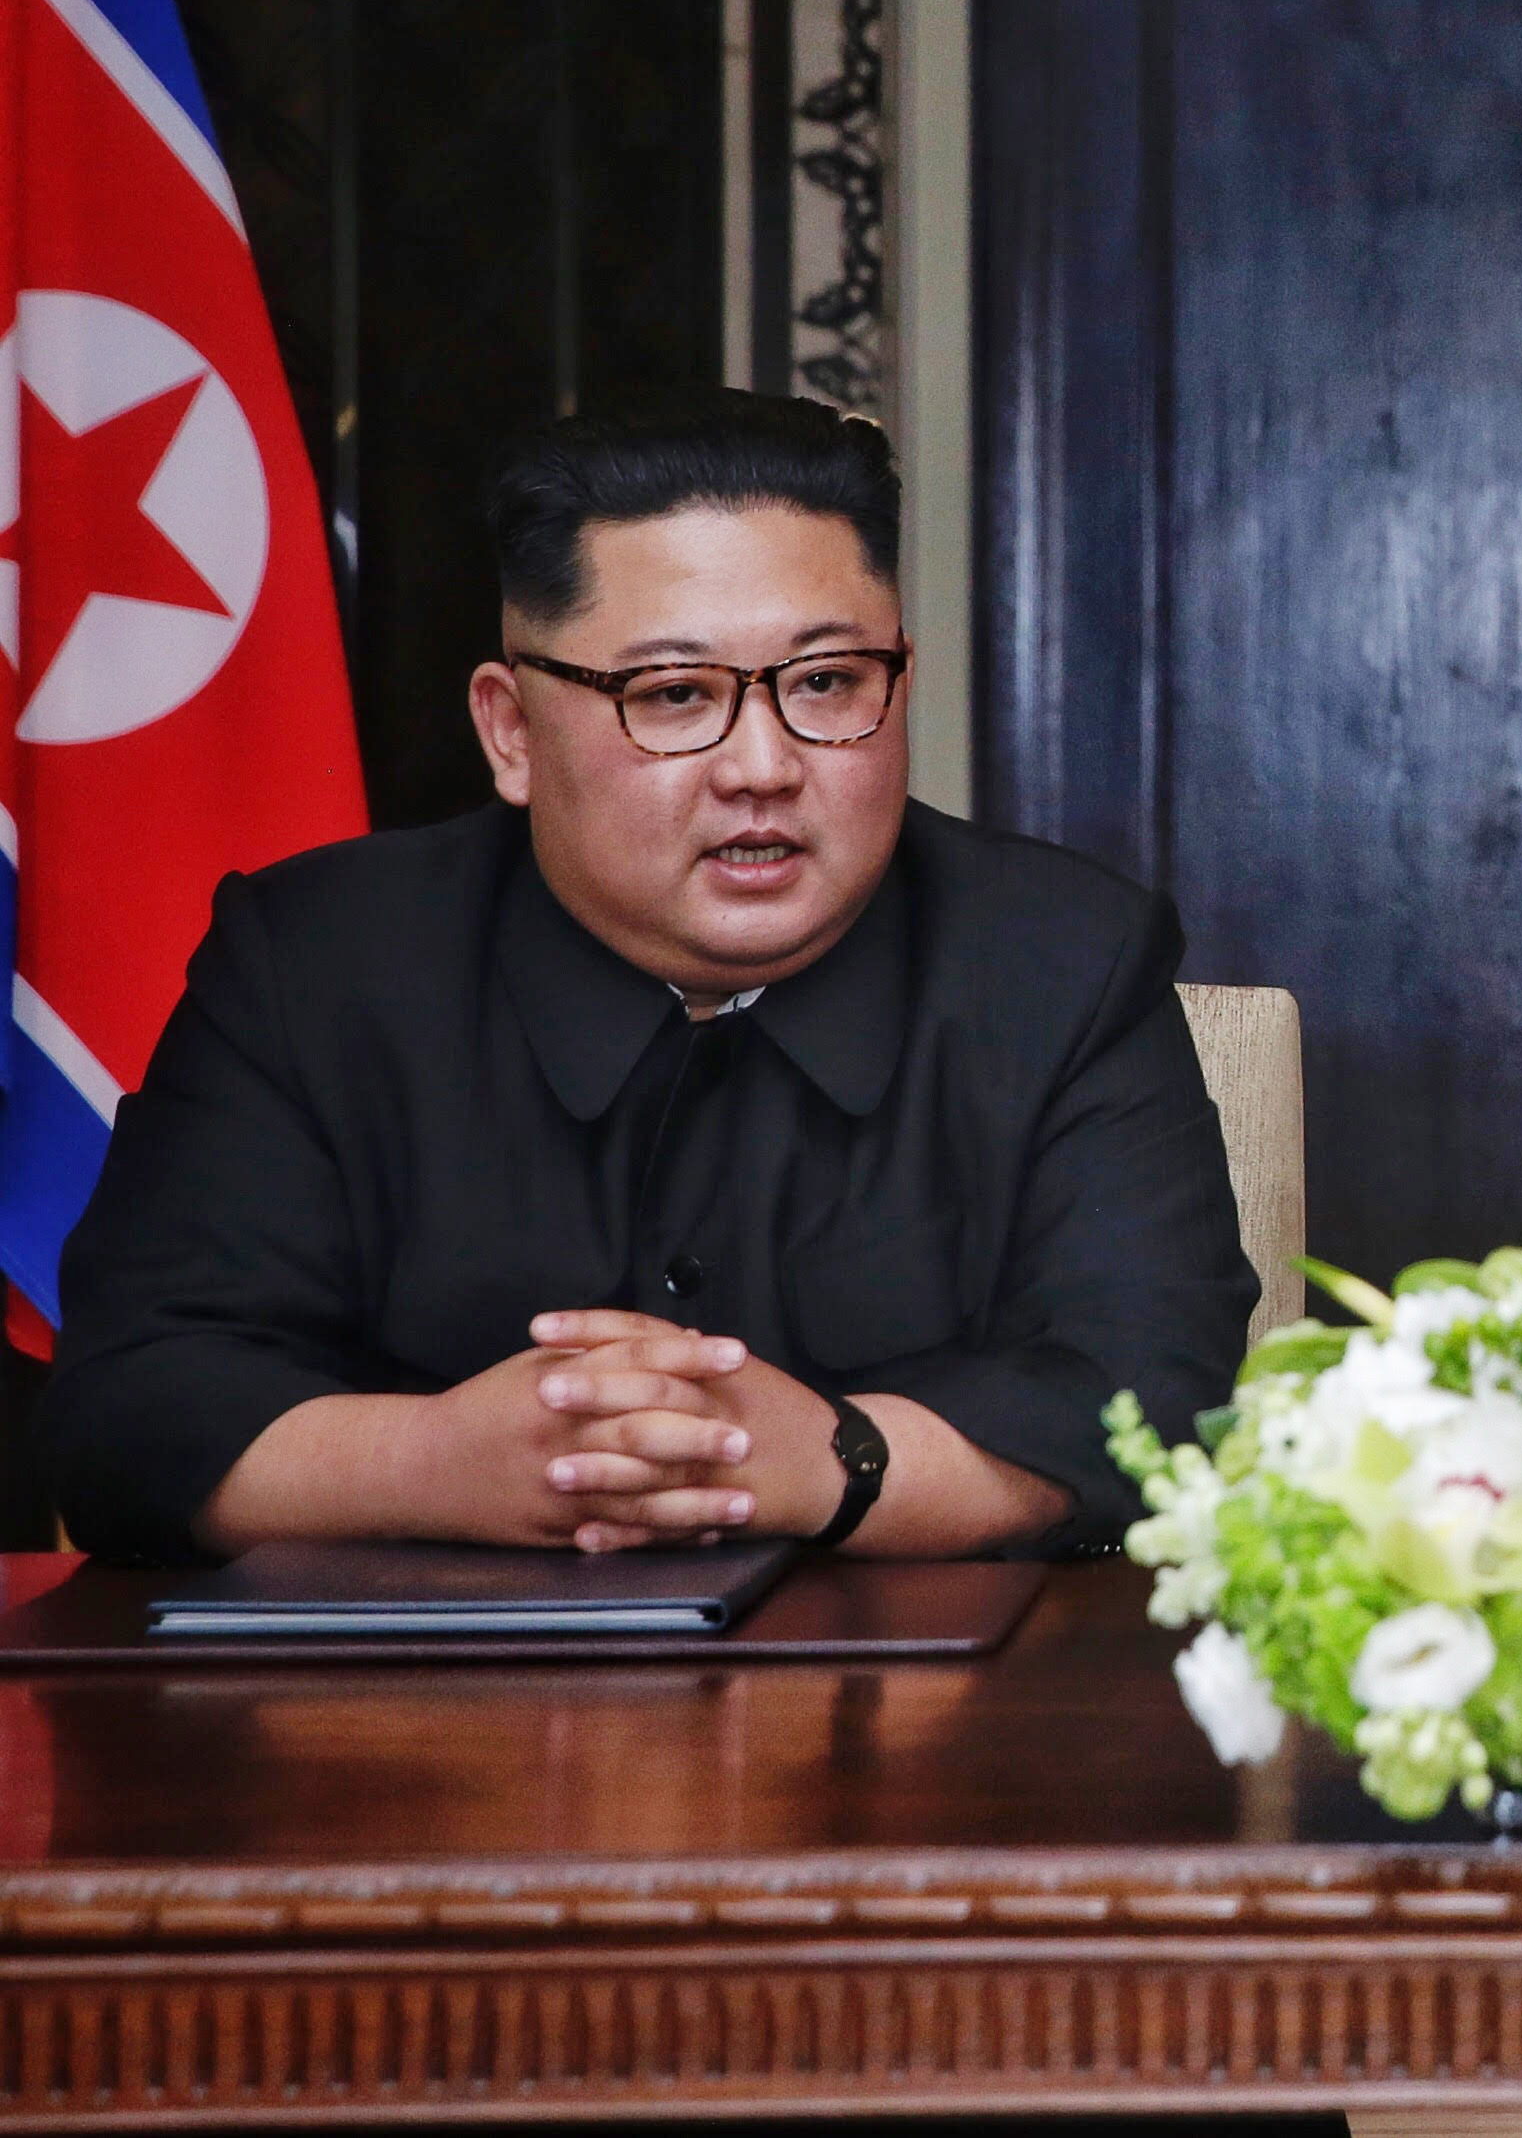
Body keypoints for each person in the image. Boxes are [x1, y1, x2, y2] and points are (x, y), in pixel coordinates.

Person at [34, 391, 1256, 1562]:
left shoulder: (1064, 958)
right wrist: (438, 1462)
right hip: (409, 1731)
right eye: (675, 696)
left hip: (929, 1735)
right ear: (510, 729)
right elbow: (127, 1410)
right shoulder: (312, 964)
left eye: (827, 682)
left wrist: (831, 1463)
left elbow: (1155, 1395)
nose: (764, 766)